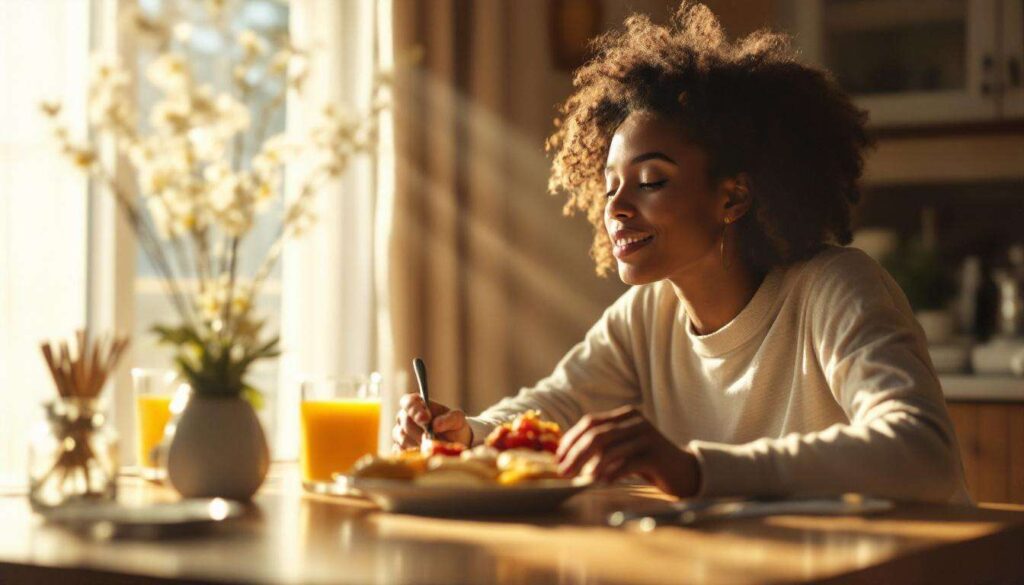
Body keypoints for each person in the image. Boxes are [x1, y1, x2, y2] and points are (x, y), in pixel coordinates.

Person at [392, 2, 970, 503]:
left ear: (734, 195)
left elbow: (922, 449)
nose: (615, 208)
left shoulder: (834, 288)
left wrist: (695, 469)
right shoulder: (647, 317)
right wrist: (464, 434)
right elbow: (552, 408)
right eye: (611, 184)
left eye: (650, 181)